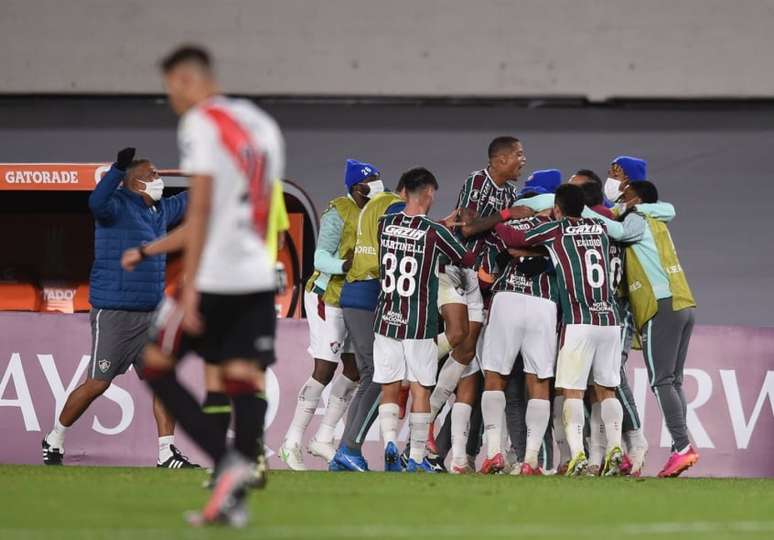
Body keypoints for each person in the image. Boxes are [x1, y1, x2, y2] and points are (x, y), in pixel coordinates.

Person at [141, 45, 284, 526]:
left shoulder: (201, 123)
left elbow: (200, 208)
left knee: (155, 364)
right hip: (257, 273)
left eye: (169, 90)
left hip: (218, 273)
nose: (172, 100)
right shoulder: (262, 125)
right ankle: (233, 502)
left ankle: (227, 464)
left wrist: (193, 283)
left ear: (184, 79)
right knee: (242, 375)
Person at [41, 147, 192, 469]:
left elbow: (195, 199)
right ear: (135, 182)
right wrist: (117, 169)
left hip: (151, 314)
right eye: (151, 174)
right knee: (98, 383)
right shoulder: (115, 206)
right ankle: (54, 438)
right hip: (115, 313)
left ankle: (166, 453)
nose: (158, 179)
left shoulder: (161, 211)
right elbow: (95, 201)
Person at [495, 184, 627, 477]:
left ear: (557, 208)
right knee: (607, 390)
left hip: (579, 320)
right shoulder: (599, 228)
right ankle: (615, 448)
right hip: (609, 319)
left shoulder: (556, 230)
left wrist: (503, 221)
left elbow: (513, 237)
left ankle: (578, 454)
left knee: (573, 392)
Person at [428, 136, 527, 474]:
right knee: (462, 345)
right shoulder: (478, 182)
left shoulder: (510, 193)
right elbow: (466, 228)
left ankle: (455, 453)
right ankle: (427, 411)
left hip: (484, 283)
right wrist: (505, 215)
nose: (522, 160)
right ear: (499, 160)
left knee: (474, 366)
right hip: (459, 274)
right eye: (518, 154)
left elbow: (500, 235)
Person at [279, 159, 380, 470]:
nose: (377, 185)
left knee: (354, 370)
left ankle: (324, 438)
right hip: (327, 297)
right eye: (372, 181)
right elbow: (320, 257)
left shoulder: (376, 210)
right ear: (356, 186)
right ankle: (291, 441)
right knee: (325, 367)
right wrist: (345, 266)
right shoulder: (338, 211)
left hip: (355, 300)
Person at [593, 180, 698, 477]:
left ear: (636, 198)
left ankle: (682, 447)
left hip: (660, 305)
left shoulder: (638, 218)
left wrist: (588, 213)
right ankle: (681, 447)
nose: (620, 202)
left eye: (624, 197)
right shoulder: (657, 217)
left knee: (662, 381)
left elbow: (621, 231)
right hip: (682, 303)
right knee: (673, 381)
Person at [373, 168, 475, 473]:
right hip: (419, 321)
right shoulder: (435, 232)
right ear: (429, 193)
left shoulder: (385, 225)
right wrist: (445, 229)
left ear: (405, 192)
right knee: (420, 388)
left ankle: (390, 441)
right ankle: (416, 457)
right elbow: (465, 258)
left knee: (389, 386)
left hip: (386, 318)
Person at [477, 171, 561, 475]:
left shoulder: (507, 225)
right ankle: (530, 460)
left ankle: (494, 453)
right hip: (543, 302)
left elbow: (492, 262)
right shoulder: (559, 228)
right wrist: (539, 251)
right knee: (538, 380)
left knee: (495, 376)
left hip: (507, 298)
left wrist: (518, 250)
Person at [329, 177, 406, 471]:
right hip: (368, 293)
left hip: (356, 294)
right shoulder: (394, 206)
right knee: (377, 375)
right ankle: (349, 448)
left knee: (368, 376)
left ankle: (345, 452)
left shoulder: (375, 204)